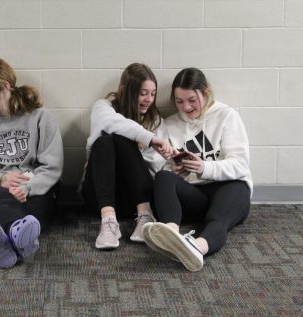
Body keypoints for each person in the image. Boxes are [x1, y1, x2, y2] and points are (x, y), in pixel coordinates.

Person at [143, 67, 252, 272]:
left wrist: (204, 167)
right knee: (163, 177)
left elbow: (240, 164)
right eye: (179, 101)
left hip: (228, 188)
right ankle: (171, 234)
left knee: (219, 217)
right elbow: (162, 164)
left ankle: (196, 248)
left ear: (206, 93)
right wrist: (177, 169)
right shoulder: (170, 124)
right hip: (196, 195)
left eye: (192, 100)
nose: (186, 107)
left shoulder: (226, 115)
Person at [0, 57, 63, 268]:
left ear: (4, 86)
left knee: (34, 212)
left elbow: (52, 168)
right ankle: (18, 237)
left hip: (37, 187)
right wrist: (1, 179)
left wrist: (27, 187)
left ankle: (3, 245)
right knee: (0, 198)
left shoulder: (40, 117)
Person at [80, 63, 173, 250]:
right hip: (99, 199)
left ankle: (145, 217)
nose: (149, 99)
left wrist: (129, 155)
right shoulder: (103, 107)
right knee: (107, 140)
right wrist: (149, 139)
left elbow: (155, 168)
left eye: (153, 93)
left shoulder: (155, 121)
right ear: (124, 90)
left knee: (122, 140)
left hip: (135, 198)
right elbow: (112, 123)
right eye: (143, 93)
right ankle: (108, 222)